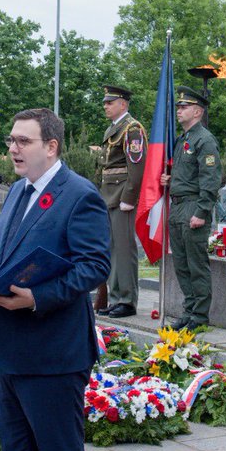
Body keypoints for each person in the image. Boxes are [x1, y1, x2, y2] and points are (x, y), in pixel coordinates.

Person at [0, 108, 109, 451]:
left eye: (23, 141)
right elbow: (13, 251)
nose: (13, 148)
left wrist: (36, 297)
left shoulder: (79, 195)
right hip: (12, 349)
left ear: (52, 146)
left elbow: (93, 267)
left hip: (53, 355)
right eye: (11, 140)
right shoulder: (17, 189)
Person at [160, 86, 221, 331]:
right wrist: (170, 179)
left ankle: (200, 315)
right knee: (182, 264)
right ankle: (189, 309)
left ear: (197, 111)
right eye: (179, 107)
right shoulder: (182, 139)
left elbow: (211, 178)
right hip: (178, 206)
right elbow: (186, 172)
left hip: (194, 206)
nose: (179, 110)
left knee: (196, 263)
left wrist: (202, 211)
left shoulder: (204, 140)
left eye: (184, 107)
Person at [98, 84, 147, 319]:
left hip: (121, 197)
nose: (105, 105)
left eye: (110, 102)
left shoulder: (132, 129)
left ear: (123, 104)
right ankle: (115, 297)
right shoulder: (114, 128)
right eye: (105, 102)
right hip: (109, 195)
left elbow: (136, 167)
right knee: (112, 249)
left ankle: (127, 300)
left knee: (124, 249)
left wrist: (129, 197)